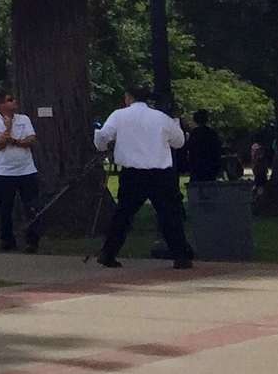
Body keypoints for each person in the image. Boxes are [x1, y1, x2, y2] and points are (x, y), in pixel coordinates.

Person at [95, 89, 192, 269]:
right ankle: (180, 256)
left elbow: (103, 136)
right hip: (160, 173)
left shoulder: (119, 116)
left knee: (123, 214)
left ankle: (108, 252)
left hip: (132, 173)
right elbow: (178, 142)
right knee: (169, 215)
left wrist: (103, 145)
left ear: (129, 98)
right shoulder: (161, 117)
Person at [0, 94, 40, 253]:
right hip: (3, 172)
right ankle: (7, 241)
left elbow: (31, 140)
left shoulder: (24, 119)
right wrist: (7, 128)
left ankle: (32, 241)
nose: (14, 102)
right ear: (1, 105)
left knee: (31, 207)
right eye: (9, 100)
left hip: (26, 170)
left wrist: (15, 142)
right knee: (5, 208)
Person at [184, 109, 225, 187]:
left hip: (197, 166)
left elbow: (190, 149)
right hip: (210, 165)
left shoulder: (194, 134)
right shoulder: (212, 133)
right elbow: (217, 150)